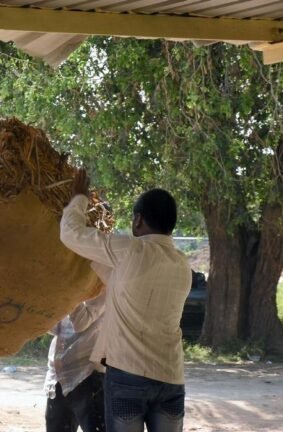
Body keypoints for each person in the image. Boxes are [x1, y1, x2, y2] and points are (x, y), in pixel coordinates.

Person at [59, 169, 192, 432]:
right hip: (171, 377)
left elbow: (70, 233)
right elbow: (117, 276)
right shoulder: (182, 264)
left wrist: (79, 199)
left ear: (138, 220)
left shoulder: (129, 250)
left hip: (127, 376)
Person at [45, 286, 106, 432]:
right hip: (58, 377)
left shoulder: (103, 283)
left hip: (87, 375)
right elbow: (57, 328)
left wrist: (68, 288)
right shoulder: (68, 286)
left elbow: (81, 322)